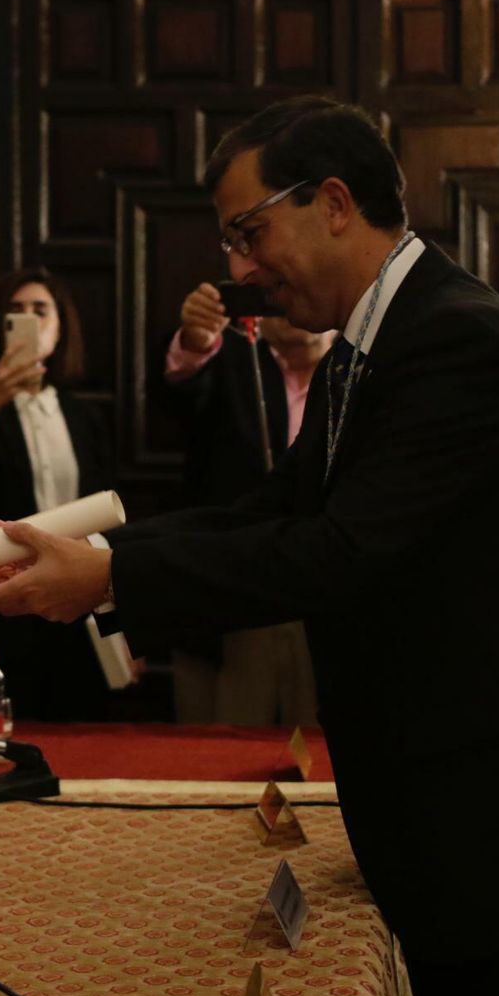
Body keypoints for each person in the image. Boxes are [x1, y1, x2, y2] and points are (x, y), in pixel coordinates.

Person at [0, 96, 499, 996]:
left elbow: (335, 551)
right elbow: (272, 508)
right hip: (454, 816)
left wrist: (113, 575)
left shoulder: (455, 340)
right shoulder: (369, 344)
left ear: (331, 202)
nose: (242, 267)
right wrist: (84, 547)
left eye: (249, 232)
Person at [0, 268, 115, 721]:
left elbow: (105, 520)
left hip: (78, 595)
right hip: (2, 596)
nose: (28, 318)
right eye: (16, 311)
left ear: (59, 327)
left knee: (84, 726)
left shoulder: (84, 415)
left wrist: (119, 624)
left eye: (40, 310)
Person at [158, 288, 335, 724]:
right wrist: (197, 341)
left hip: (332, 600)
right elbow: (181, 395)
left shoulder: (366, 370)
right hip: (233, 600)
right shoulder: (234, 360)